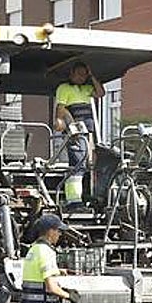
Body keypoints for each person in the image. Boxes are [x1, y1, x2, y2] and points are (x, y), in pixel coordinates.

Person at [54, 61, 103, 210]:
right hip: (75, 133)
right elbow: (61, 109)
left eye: (84, 74)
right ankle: (73, 200)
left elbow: (100, 93)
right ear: (72, 74)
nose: (82, 77)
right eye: (79, 74)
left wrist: (92, 75)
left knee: (89, 165)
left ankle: (86, 196)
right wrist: (70, 127)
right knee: (77, 164)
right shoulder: (64, 88)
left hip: (88, 132)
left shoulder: (87, 88)